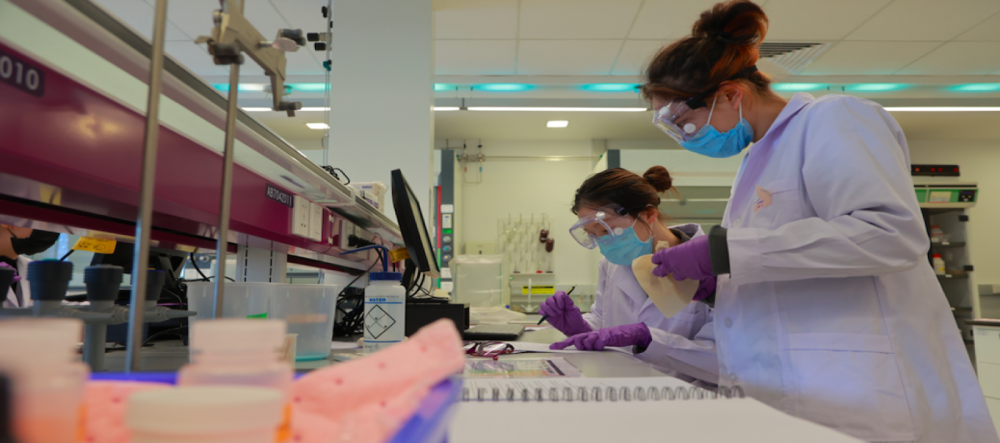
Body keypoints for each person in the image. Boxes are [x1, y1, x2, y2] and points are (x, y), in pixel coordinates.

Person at [639, 1, 997, 442]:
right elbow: (791, 262)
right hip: (788, 393)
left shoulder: (833, 118)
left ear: (732, 94)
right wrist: (723, 285)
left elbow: (891, 234)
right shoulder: (757, 161)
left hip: (862, 392)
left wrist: (727, 251)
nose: (686, 139)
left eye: (685, 124)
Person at [539, 166, 719, 385]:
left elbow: (723, 359)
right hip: (618, 389)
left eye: (605, 230)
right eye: (593, 235)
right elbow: (605, 323)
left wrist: (650, 340)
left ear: (649, 214)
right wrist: (582, 329)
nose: (602, 242)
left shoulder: (712, 264)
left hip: (688, 399)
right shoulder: (611, 265)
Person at [1, 224, 60, 308]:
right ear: (7, 222)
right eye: (40, 220)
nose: (49, 230)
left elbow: (60, 305)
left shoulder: (37, 271)